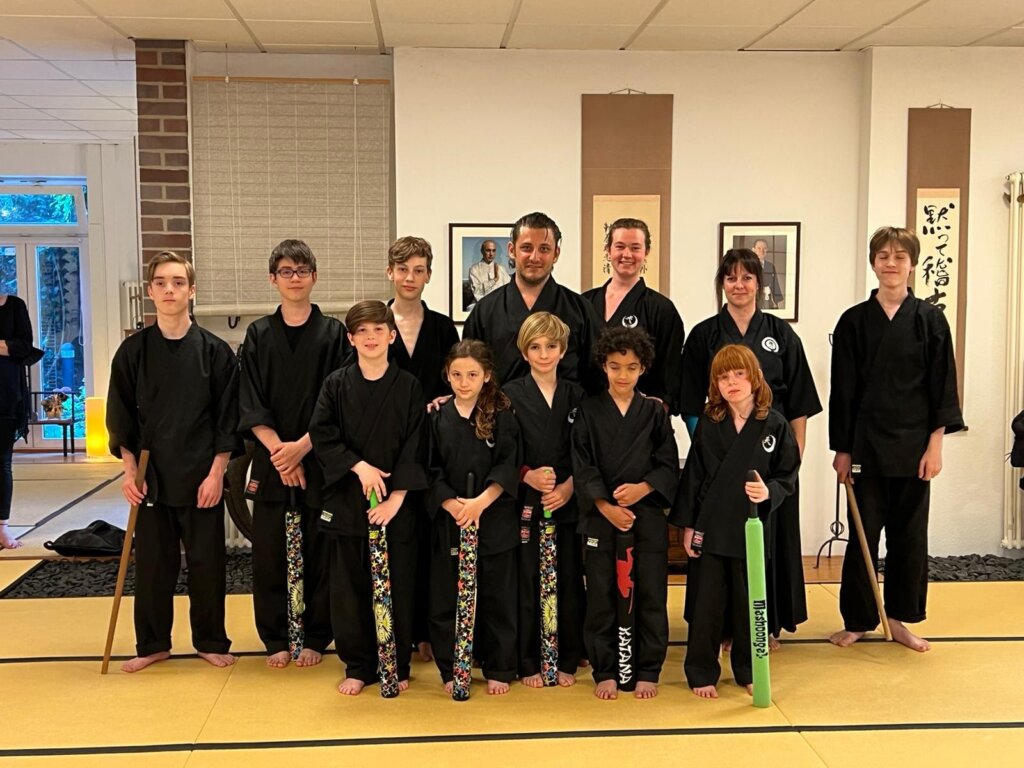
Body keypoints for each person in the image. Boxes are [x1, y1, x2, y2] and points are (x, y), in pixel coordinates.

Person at [829, 226, 963, 653]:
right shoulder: (853, 321)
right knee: (862, 536)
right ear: (873, 263)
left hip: (913, 447)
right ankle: (859, 619)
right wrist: (842, 450)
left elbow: (942, 386)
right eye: (883, 255)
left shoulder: (930, 320)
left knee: (909, 537)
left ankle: (899, 618)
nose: (891, 263)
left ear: (912, 264)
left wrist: (935, 445)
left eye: (899, 256)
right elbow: (843, 390)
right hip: (865, 446)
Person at [106, 251, 239, 673]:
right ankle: (152, 643)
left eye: (178, 282)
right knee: (152, 566)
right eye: (161, 282)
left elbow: (227, 419)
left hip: (202, 474)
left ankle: (210, 640)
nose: (170, 290)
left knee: (207, 564)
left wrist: (217, 473)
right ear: (150, 291)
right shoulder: (133, 352)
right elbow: (121, 418)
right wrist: (130, 472)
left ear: (191, 290)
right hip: (151, 476)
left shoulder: (215, 352)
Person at [679, 248, 821, 645]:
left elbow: (799, 405)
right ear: (721, 284)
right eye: (730, 278)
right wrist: (717, 456)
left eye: (746, 277)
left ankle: (765, 624)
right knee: (719, 549)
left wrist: (793, 460)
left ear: (759, 283)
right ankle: (723, 628)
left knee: (770, 543)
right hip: (719, 463)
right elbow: (691, 404)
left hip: (771, 460)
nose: (738, 285)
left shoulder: (781, 335)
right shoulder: (704, 335)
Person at [238, 239, 350, 669]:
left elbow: (339, 400)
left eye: (302, 271)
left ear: (314, 277)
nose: (295, 278)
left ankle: (317, 636)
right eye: (286, 271)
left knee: (320, 552)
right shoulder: (258, 335)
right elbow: (250, 401)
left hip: (319, 458)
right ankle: (276, 637)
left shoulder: (334, 334)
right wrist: (280, 454)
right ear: (273, 279)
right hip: (273, 461)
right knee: (269, 554)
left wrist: (303, 447)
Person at [307, 300, 427, 695]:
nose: (371, 337)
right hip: (349, 501)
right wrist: (358, 467)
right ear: (351, 338)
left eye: (378, 329)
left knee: (400, 585)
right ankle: (358, 665)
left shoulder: (409, 386)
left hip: (396, 507)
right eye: (362, 331)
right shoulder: (335, 385)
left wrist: (397, 498)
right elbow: (323, 434)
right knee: (350, 589)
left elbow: (417, 445)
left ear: (392, 336)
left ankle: (398, 662)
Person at [671, 344, 800, 698]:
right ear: (715, 384)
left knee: (750, 604)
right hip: (711, 527)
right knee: (706, 605)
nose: (732, 383)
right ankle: (701, 671)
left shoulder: (774, 424)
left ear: (754, 377)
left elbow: (788, 473)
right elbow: (693, 477)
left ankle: (749, 668)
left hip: (751, 528)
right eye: (723, 377)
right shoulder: (710, 423)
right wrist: (688, 527)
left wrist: (770, 491)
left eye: (739, 374)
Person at [571, 327, 679, 700]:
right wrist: (606, 506)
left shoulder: (654, 412)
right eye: (615, 367)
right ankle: (605, 670)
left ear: (643, 368)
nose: (622, 375)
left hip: (645, 515)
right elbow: (582, 466)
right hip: (601, 517)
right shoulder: (588, 411)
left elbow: (668, 464)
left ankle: (647, 669)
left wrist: (643, 488)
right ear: (603, 366)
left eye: (631, 367)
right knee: (601, 595)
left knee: (651, 594)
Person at [427, 339, 520, 696]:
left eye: (472, 374)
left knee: (498, 598)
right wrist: (452, 505)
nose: (464, 382)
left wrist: (480, 502)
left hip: (493, 518)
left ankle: (499, 667)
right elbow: (429, 467)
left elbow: (508, 464)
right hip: (451, 520)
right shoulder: (436, 417)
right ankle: (452, 668)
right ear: (447, 376)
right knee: (445, 600)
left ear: (487, 376)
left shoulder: (502, 416)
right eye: (456, 375)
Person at [385, 235, 460, 662]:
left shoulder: (443, 327)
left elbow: (458, 376)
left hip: (435, 447)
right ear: (390, 273)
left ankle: (431, 631)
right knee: (398, 544)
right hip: (389, 449)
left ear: (429, 275)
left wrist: (446, 397)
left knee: (433, 542)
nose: (410, 278)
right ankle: (399, 632)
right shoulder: (376, 324)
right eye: (403, 269)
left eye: (418, 270)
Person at [504, 312, 586, 688]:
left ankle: (566, 657)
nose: (543, 354)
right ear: (524, 352)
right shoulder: (509, 395)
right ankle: (527, 661)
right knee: (526, 580)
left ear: (563, 350)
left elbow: (586, 450)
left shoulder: (577, 395)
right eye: (535, 347)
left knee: (567, 580)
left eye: (551, 346)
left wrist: (569, 486)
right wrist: (526, 475)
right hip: (525, 501)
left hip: (565, 501)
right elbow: (502, 450)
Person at [463, 211, 601, 392]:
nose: (535, 257)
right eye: (526, 248)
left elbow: (597, 377)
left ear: (556, 253)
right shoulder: (485, 311)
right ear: (512, 250)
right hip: (501, 409)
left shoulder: (580, 310)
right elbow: (468, 372)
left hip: (565, 409)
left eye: (544, 249)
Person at [583, 218, 685, 414]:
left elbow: (670, 370)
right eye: (620, 246)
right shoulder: (585, 303)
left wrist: (659, 410)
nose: (627, 254)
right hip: (590, 411)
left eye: (635, 248)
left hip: (641, 414)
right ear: (608, 250)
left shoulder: (661, 309)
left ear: (646, 252)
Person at [0, 290, 42, 550]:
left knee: (2, 463)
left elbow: (25, 347)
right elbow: (12, 347)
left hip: (6, 394)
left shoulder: (15, 306)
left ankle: (2, 528)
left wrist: (9, 347)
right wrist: (6, 346)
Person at [468, 239, 510, 304]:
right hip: (482, 304)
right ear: (482, 251)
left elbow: (509, 289)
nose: (491, 254)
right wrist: (494, 280)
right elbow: (477, 292)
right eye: (488, 250)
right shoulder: (474, 269)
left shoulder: (501, 269)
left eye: (493, 250)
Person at [752, 239, 783, 309]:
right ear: (753, 250)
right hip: (753, 299)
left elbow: (775, 284)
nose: (762, 251)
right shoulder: (748, 265)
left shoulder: (770, 266)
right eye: (759, 248)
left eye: (764, 248)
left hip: (767, 298)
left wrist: (775, 302)